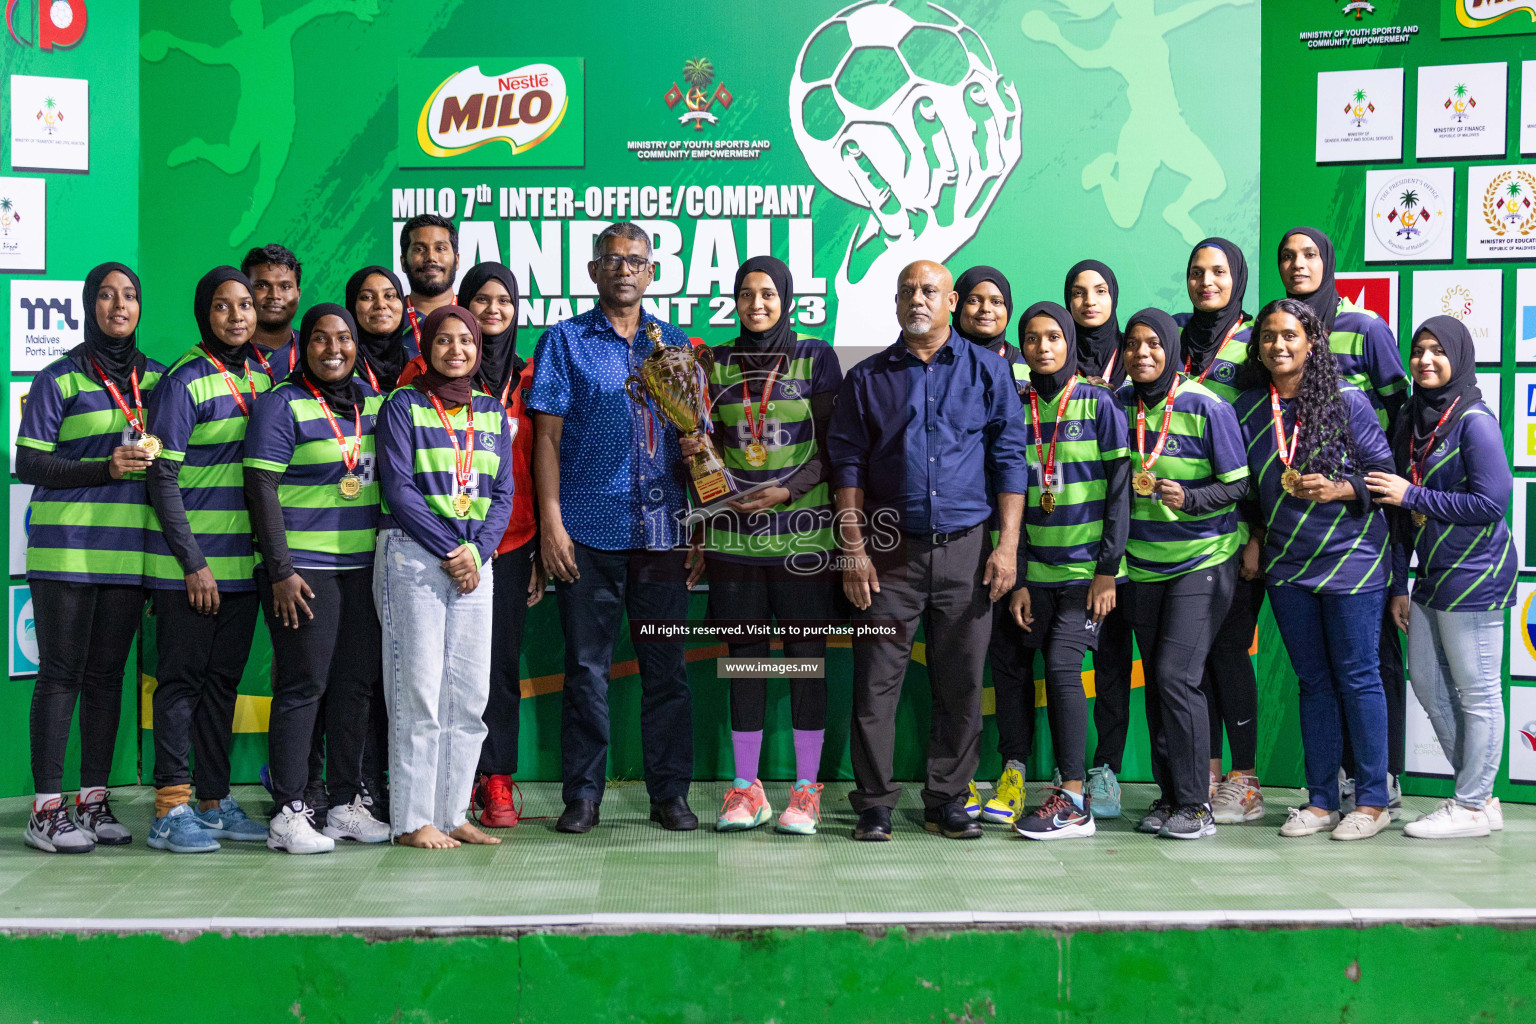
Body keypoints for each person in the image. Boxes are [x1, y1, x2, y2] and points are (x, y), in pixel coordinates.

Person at [827, 259, 1029, 842]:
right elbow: (847, 464)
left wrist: (1007, 546)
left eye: (930, 290)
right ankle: (874, 804)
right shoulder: (866, 378)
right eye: (908, 291)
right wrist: (853, 550)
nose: (918, 299)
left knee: (962, 682)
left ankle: (949, 798)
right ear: (895, 304)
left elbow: (1009, 462)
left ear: (952, 301)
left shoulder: (989, 372)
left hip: (969, 550)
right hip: (886, 554)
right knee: (875, 685)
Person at [529, 222, 702, 835]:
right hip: (586, 533)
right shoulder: (565, 342)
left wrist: (698, 531)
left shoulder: (674, 343)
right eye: (613, 259)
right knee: (586, 671)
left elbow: (695, 445)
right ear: (594, 270)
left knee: (666, 672)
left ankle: (670, 795)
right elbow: (545, 439)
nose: (625, 269)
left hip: (661, 535)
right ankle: (582, 796)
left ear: (651, 272)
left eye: (637, 260)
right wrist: (551, 521)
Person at [690, 256, 841, 835]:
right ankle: (745, 788)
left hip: (803, 542)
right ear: (734, 300)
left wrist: (784, 489)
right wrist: (703, 510)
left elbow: (834, 448)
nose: (757, 305)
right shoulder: (715, 364)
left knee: (807, 665)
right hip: (734, 545)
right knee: (744, 666)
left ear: (787, 299)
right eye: (747, 295)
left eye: (768, 295)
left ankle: (805, 791)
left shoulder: (816, 357)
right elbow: (706, 448)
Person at [1233, 298, 1394, 841]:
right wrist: (1256, 538)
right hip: (1287, 564)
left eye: (1290, 335)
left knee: (1358, 677)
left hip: (1352, 560)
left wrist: (1340, 488)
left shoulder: (1348, 400)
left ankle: (1372, 800)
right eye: (1269, 336)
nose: (1279, 344)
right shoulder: (1250, 409)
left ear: (1312, 342)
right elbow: (1247, 488)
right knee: (1314, 682)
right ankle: (1322, 798)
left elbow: (1384, 479)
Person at [18, 264, 167, 854]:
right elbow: (30, 464)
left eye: (129, 295)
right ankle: (47, 809)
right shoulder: (58, 378)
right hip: (65, 552)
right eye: (106, 296)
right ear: (88, 305)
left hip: (127, 554)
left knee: (108, 680)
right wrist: (100, 469)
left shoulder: (157, 380)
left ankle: (93, 798)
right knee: (60, 675)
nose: (119, 305)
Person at [399, 263, 544, 829]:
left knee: (495, 668)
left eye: (502, 301)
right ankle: (434, 791)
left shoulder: (533, 375)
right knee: (433, 673)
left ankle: (496, 778)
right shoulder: (425, 374)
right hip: (437, 545)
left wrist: (532, 547)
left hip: (508, 543)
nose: (490, 311)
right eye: (479, 300)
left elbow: (539, 462)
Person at [244, 304, 389, 854]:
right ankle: (289, 810)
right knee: (303, 687)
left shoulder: (374, 405)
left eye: (345, 338)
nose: (334, 348)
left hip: (362, 570)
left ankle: (345, 805)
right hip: (302, 572)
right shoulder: (280, 404)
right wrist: (279, 570)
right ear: (303, 345)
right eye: (322, 338)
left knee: (354, 687)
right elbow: (260, 490)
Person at [1367, 316, 1514, 839]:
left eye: (1437, 351)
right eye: (1418, 350)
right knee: (1428, 685)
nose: (1426, 360)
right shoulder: (1412, 416)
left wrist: (1413, 495)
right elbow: (1396, 508)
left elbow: (1493, 502)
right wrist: (1398, 583)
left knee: (1477, 694)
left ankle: (1471, 803)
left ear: (1459, 356)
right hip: (1430, 575)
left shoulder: (1474, 420)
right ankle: (1481, 795)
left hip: (1476, 575)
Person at [1279, 226, 1409, 814]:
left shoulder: (1365, 327)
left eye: (1309, 255)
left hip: (1367, 512)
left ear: (1327, 263)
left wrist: (1374, 487)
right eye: (1288, 257)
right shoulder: (1278, 331)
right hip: (1300, 532)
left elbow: (1400, 413)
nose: (1298, 265)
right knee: (1324, 672)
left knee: (1372, 658)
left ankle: (1379, 782)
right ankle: (1328, 790)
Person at [142, 267, 272, 853]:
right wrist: (192, 562)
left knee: (222, 683)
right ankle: (170, 807)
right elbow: (161, 477)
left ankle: (214, 802)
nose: (239, 316)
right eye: (224, 307)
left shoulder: (266, 377)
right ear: (205, 314)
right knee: (181, 684)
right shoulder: (184, 380)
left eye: (245, 305)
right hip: (191, 570)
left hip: (243, 570)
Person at [375, 305, 514, 849]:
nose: (456, 350)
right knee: (419, 692)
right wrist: (452, 549)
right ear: (426, 347)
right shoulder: (402, 407)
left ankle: (453, 811)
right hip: (415, 556)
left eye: (466, 342)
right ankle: (412, 820)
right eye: (444, 341)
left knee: (469, 695)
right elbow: (399, 490)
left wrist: (477, 553)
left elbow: (502, 494)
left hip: (475, 565)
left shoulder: (490, 412)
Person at [1117, 309, 1246, 840]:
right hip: (1142, 565)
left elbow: (1237, 485)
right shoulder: (1116, 404)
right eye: (1134, 344)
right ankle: (1169, 795)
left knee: (1176, 674)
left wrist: (1191, 498)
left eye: (1154, 344)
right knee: (1157, 680)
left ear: (1170, 348)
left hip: (1203, 560)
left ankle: (1196, 806)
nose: (1143, 353)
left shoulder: (1204, 404)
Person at [1007, 301, 1129, 841]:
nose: (1043, 347)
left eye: (1053, 336)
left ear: (1069, 343)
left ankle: (1074, 797)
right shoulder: (1018, 406)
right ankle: (1064, 789)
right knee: (1042, 670)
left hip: (1088, 575)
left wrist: (1107, 571)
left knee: (1061, 666)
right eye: (1031, 338)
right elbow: (1010, 494)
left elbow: (1121, 495)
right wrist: (1023, 577)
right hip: (1040, 573)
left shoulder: (1100, 403)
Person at [1177, 238, 1264, 822]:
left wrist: (1257, 532)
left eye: (1219, 272)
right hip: (1182, 529)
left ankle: (1246, 777)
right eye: (1197, 272)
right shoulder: (1176, 337)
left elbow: (1269, 435)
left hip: (1241, 523)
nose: (1207, 282)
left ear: (1238, 277)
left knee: (1230, 650)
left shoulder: (1260, 338)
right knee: (1194, 657)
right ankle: (1206, 772)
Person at [953, 266, 1036, 825]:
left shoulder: (1030, 369)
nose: (986, 309)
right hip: (956, 531)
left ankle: (1014, 771)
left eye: (998, 301)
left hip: (1015, 532)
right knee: (956, 664)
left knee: (1009, 658)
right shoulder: (937, 362)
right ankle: (959, 777)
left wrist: (1013, 547)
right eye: (976, 299)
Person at [1062, 259, 1130, 817]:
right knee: (1076, 662)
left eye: (1101, 291)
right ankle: (1069, 775)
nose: (1090, 301)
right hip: (1075, 549)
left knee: (1115, 664)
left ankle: (1107, 768)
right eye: (1078, 293)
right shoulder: (1051, 363)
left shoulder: (1138, 354)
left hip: (1143, 544)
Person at [346, 265, 416, 393]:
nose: (380, 305)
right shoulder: (342, 364)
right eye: (367, 297)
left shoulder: (419, 364)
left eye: (389, 295)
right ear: (352, 306)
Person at [398, 213, 461, 354]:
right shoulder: (389, 318)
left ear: (457, 260)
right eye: (419, 249)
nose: (431, 257)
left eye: (440, 248)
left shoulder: (476, 316)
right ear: (403, 262)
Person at [240, 243, 302, 384]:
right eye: (262, 285)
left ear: (298, 295)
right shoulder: (227, 352)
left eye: (285, 287)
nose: (274, 295)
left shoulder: (314, 349)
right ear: (244, 291)